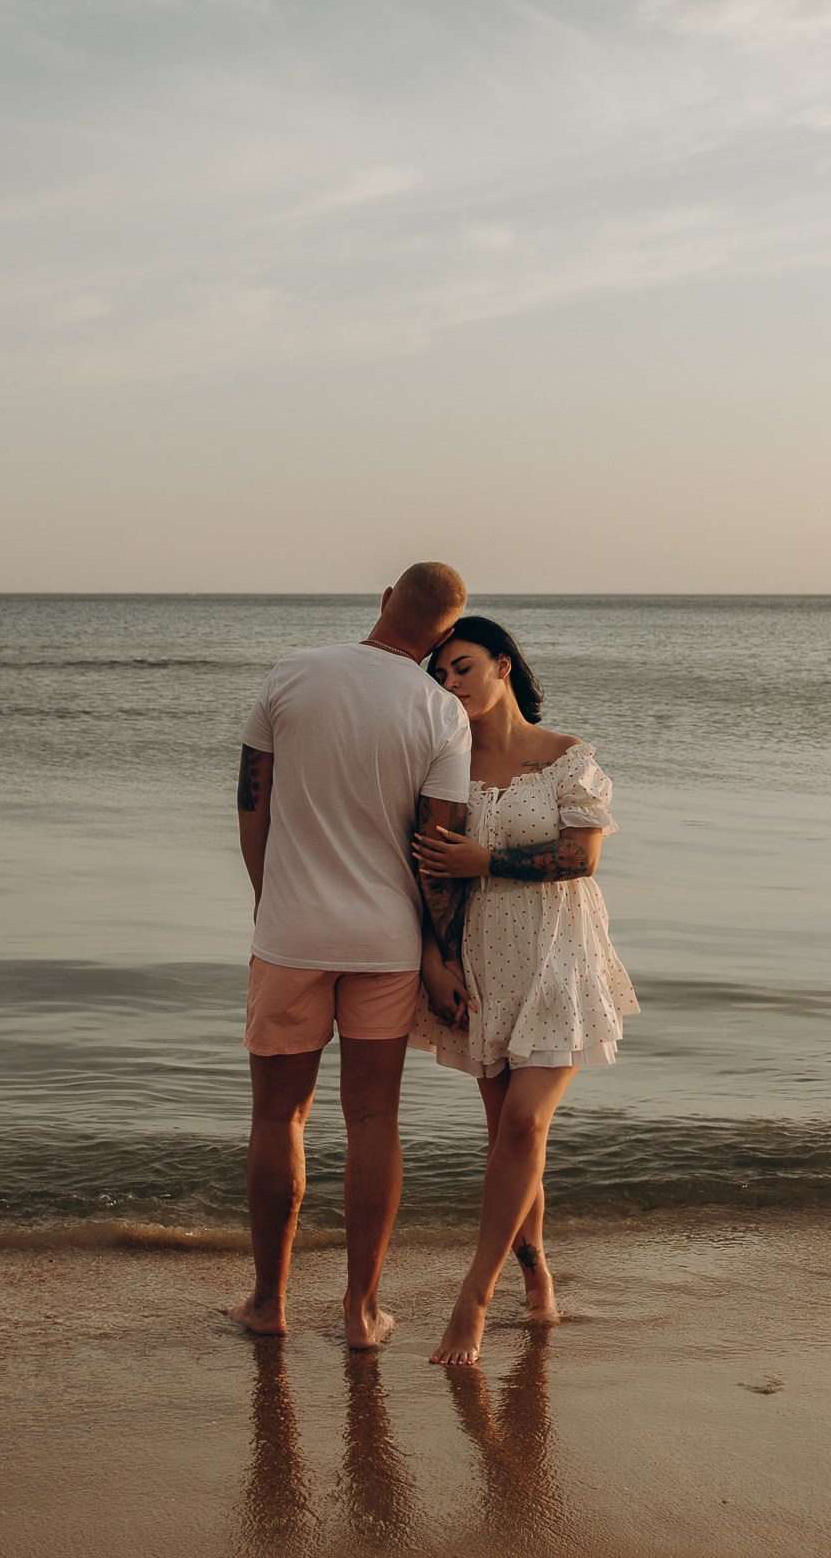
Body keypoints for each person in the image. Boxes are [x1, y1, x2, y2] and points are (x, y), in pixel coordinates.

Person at [228, 562, 475, 1349]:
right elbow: (440, 849)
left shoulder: (292, 673)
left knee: (277, 1115)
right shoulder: (442, 712)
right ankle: (362, 1313)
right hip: (387, 940)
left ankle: (269, 1304)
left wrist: (273, 901)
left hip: (291, 932)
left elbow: (251, 803)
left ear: (382, 604)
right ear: (444, 635)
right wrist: (442, 952)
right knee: (373, 1120)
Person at [411, 616, 639, 1365]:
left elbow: (581, 857)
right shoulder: (445, 764)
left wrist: (488, 861)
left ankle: (473, 1298)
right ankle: (537, 1274)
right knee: (507, 1137)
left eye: (463, 667)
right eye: (439, 676)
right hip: (481, 962)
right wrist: (432, 962)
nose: (451, 684)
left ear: (503, 666)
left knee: (523, 1129)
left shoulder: (566, 757)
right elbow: (427, 874)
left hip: (561, 955)